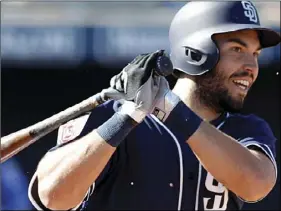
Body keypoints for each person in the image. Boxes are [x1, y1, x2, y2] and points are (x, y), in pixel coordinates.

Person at [28, 1, 280, 210]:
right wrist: (126, 117)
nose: (251, 67)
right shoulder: (111, 119)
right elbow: (52, 197)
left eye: (256, 54)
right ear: (196, 51)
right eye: (237, 49)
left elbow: (256, 185)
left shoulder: (246, 130)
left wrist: (170, 108)